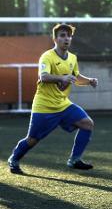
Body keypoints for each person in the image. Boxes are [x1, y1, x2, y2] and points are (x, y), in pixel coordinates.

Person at [7, 24, 98, 174]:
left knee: (87, 124)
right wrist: (62, 78)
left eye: (68, 36)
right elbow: (43, 77)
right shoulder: (47, 56)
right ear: (55, 39)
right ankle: (14, 158)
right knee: (32, 139)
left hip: (63, 104)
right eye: (62, 35)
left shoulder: (73, 58)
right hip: (45, 106)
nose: (66, 38)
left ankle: (74, 160)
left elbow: (75, 78)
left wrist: (89, 81)